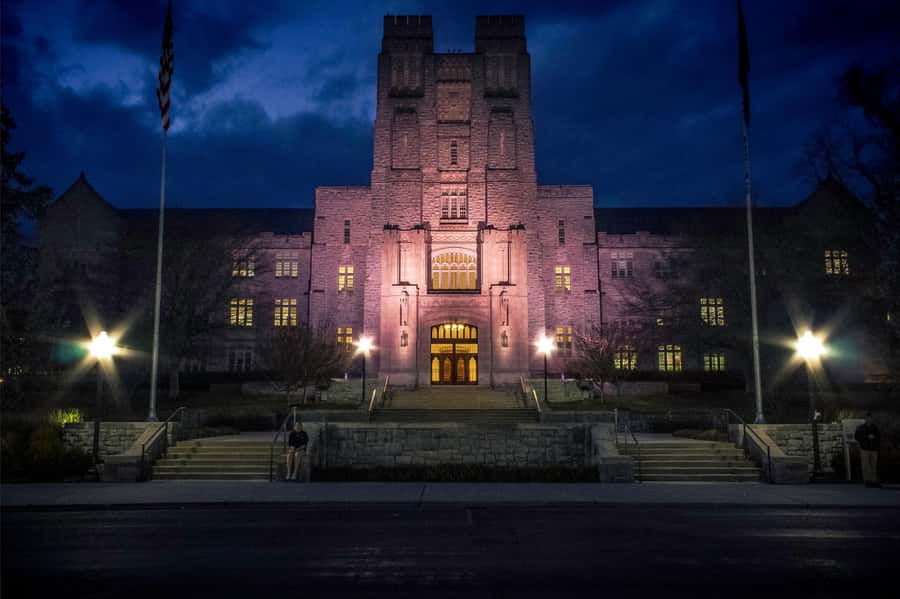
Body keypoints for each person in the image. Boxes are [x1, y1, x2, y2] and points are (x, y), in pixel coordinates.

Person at [854, 412, 881, 488]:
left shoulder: (875, 428)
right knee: (866, 466)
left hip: (873, 449)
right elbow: (856, 436)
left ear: (872, 419)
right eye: (868, 418)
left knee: (873, 465)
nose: (869, 419)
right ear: (865, 419)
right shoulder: (861, 427)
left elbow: (879, 437)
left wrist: (874, 439)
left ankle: (874, 481)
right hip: (864, 449)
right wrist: (866, 437)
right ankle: (867, 481)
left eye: (870, 418)